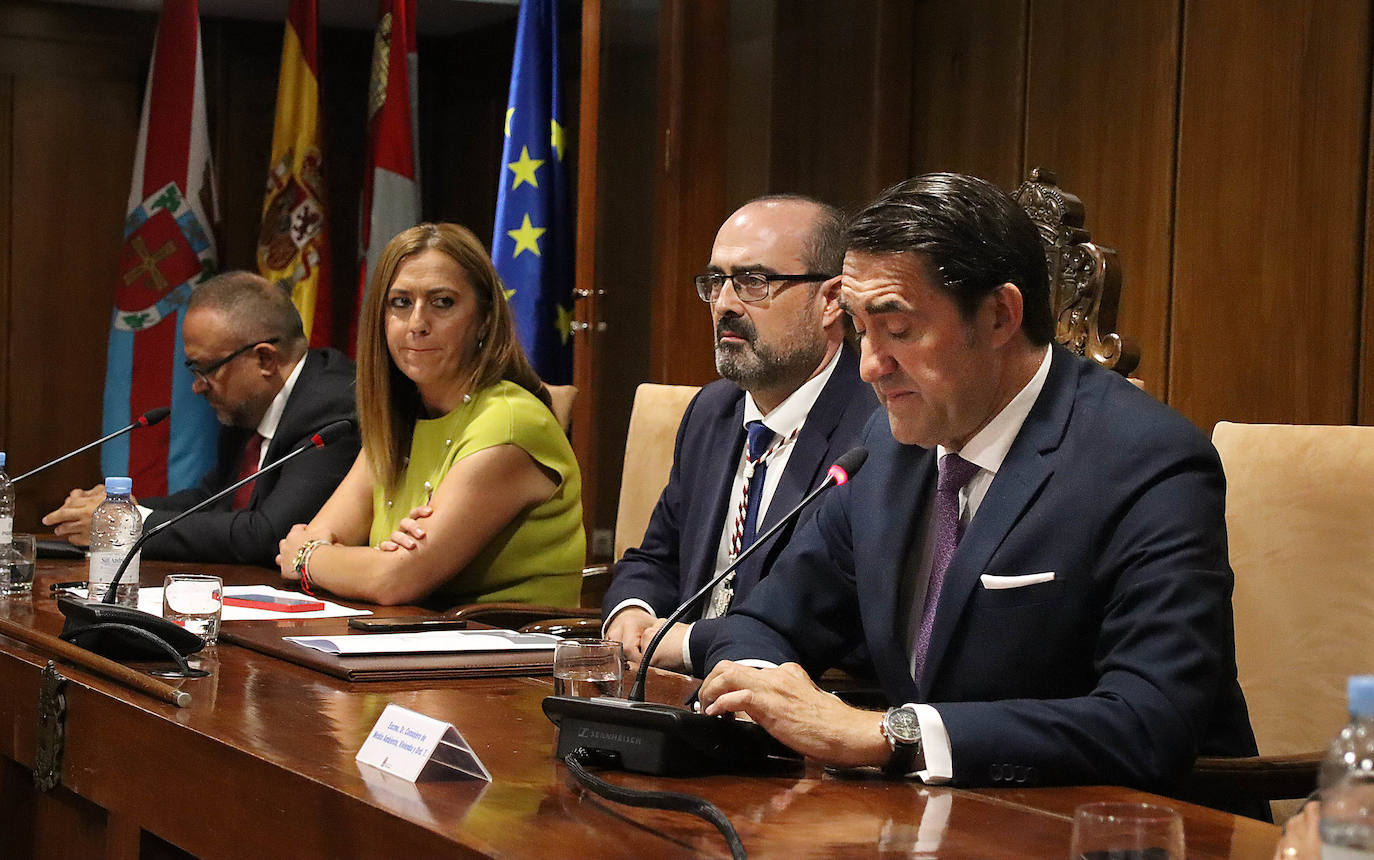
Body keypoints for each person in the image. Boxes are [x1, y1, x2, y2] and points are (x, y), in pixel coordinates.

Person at [697, 173, 1262, 815]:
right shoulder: (886, 448)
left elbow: (1148, 720)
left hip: (1121, 831)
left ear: (999, 315)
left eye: (899, 330)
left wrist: (889, 733)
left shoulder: (1147, 462)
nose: (870, 365)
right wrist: (768, 692)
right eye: (859, 331)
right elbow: (765, 620)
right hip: (934, 822)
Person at [601, 196, 879, 675]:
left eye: (754, 282)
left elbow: (851, 618)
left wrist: (689, 642)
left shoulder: (877, 428)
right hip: (670, 692)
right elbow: (656, 556)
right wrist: (633, 611)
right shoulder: (712, 411)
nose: (725, 304)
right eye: (716, 282)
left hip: (788, 699)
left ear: (832, 300)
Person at [276, 222, 584, 608]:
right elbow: (324, 533)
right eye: (401, 303)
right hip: (415, 640)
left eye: (442, 302)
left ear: (485, 318)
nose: (418, 324)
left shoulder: (508, 423)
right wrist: (353, 561)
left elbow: (392, 580)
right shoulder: (403, 417)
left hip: (507, 651)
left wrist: (313, 558)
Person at [42, 272, 358, 565]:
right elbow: (212, 499)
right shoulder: (249, 406)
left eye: (205, 368)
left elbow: (271, 534)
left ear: (264, 358)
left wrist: (129, 525)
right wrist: (120, 509)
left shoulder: (332, 408)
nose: (196, 386)